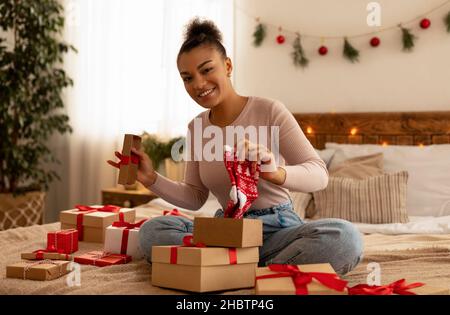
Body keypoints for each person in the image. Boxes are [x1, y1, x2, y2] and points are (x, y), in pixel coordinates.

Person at [108, 18, 363, 275]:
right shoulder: (196, 128)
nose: (198, 84)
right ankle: (260, 273)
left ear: (227, 66)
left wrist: (276, 173)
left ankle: (224, 272)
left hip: (278, 230)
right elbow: (195, 197)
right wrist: (151, 178)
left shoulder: (270, 111)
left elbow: (319, 174)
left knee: (344, 237)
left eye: (207, 70)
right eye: (188, 78)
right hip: (226, 233)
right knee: (154, 230)